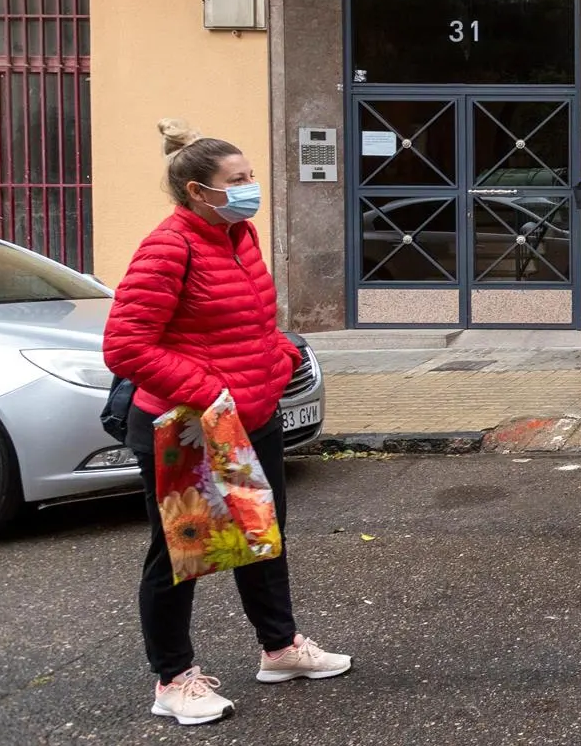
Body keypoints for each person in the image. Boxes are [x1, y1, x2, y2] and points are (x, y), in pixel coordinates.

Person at [104, 119, 351, 725]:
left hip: (248, 416)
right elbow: (126, 346)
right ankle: (173, 680)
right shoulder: (170, 245)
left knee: (262, 537)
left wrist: (277, 358)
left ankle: (281, 649)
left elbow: (246, 322)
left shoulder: (238, 236)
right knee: (180, 553)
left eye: (251, 177)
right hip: (186, 426)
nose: (251, 188)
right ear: (198, 191)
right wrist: (212, 392)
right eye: (237, 180)